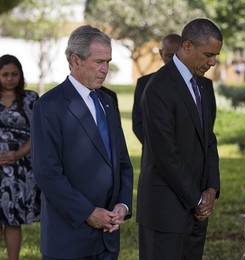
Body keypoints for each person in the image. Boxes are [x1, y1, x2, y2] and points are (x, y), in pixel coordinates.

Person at [31, 25, 133, 260]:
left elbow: (122, 162)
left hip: (108, 238)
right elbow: (47, 173)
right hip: (69, 240)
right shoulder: (49, 106)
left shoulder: (109, 102)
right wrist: (88, 212)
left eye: (108, 61)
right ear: (75, 60)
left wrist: (123, 205)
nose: (105, 69)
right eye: (99, 62)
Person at [136, 18, 223, 260]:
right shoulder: (157, 88)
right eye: (208, 54)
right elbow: (166, 154)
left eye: (215, 55)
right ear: (186, 47)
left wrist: (211, 190)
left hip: (197, 212)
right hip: (164, 211)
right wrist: (196, 199)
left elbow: (209, 140)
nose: (212, 62)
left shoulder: (204, 86)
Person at [0, 54, 40, 260]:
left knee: (12, 217)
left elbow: (39, 132)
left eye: (14, 74)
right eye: (4, 74)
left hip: (20, 167)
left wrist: (18, 153)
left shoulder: (31, 99)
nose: (9, 78)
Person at [132, 34, 182, 144]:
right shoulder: (144, 83)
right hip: (154, 155)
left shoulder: (198, 84)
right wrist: (155, 148)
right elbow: (138, 123)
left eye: (177, 56)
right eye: (169, 56)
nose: (174, 61)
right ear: (161, 53)